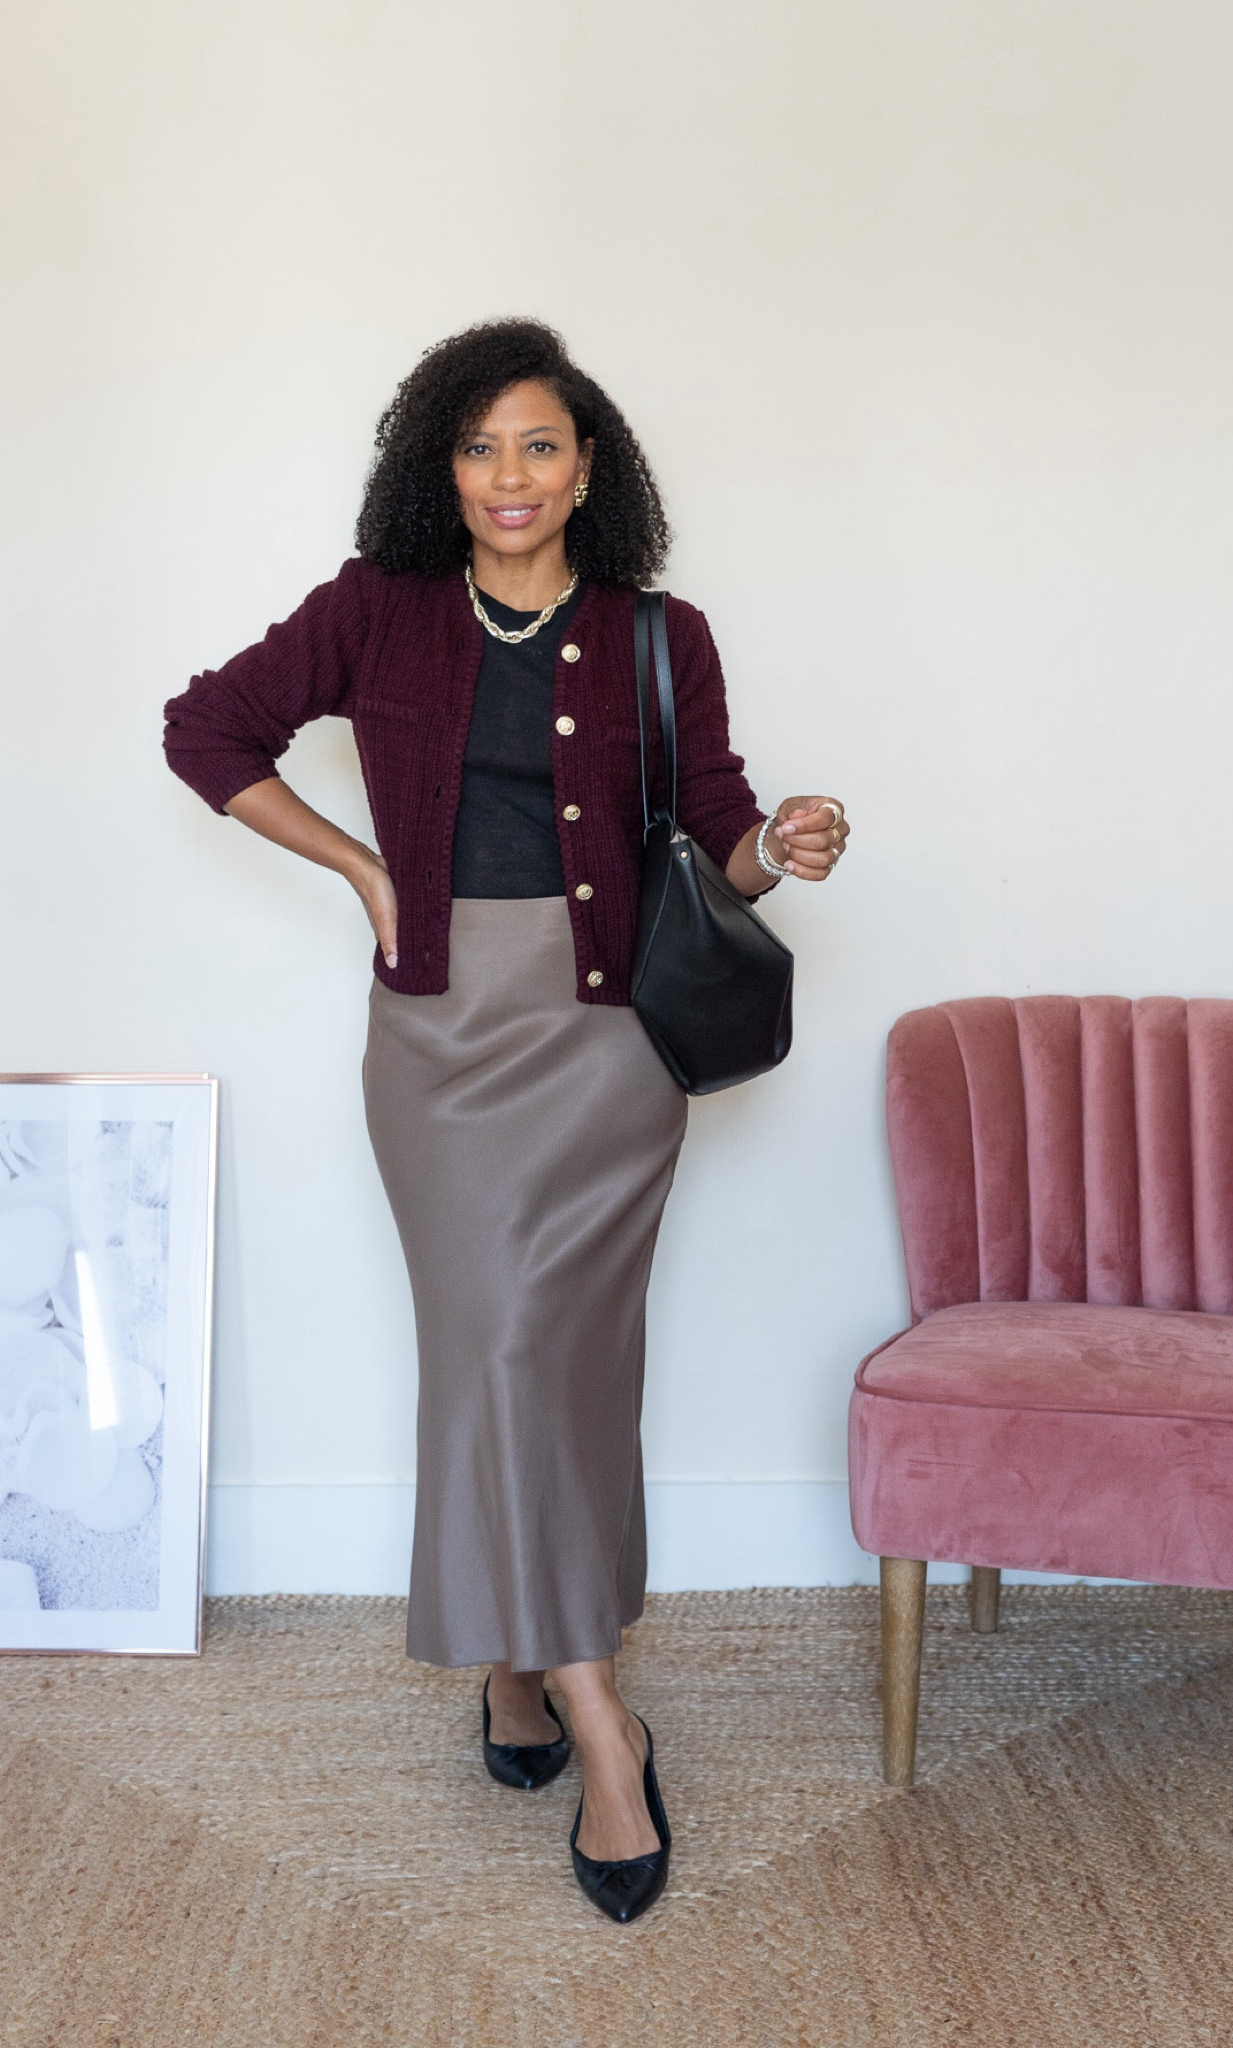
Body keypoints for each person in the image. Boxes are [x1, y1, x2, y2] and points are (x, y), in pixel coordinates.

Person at [163, 318, 849, 1923]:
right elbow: (207, 730)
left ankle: (525, 1680)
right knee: (493, 1356)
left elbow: (713, 832)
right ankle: (599, 1714)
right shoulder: (375, 611)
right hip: (442, 1044)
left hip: (612, 1049)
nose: (508, 476)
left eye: (538, 445)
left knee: (571, 1365)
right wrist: (363, 873)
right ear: (438, 469)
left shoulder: (659, 634)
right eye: (477, 448)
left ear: (590, 466)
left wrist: (786, 846)